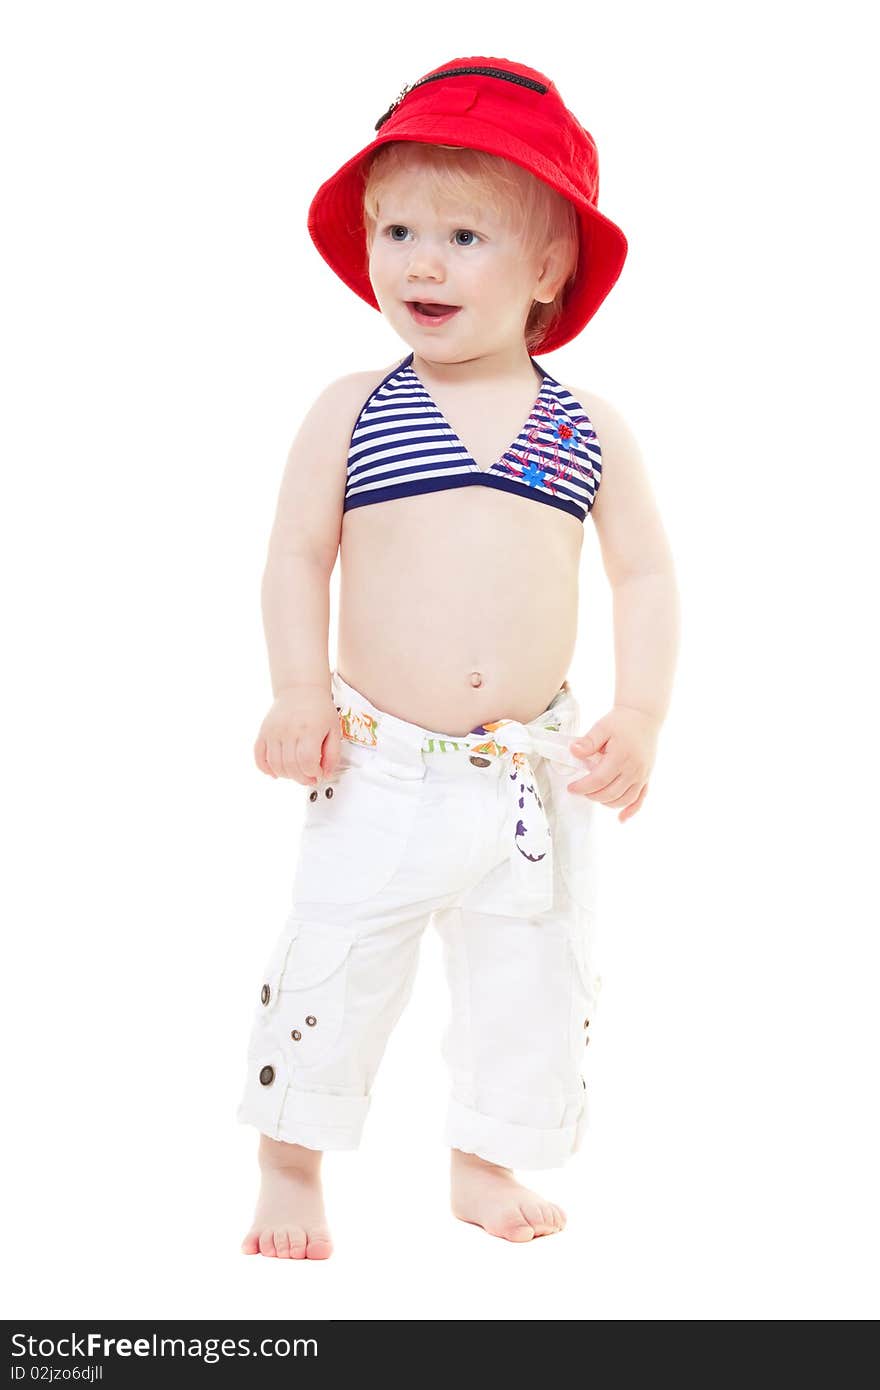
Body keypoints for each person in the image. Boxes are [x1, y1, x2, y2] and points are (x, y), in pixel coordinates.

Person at [236, 55, 680, 1259]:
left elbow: (642, 572)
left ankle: (484, 1158)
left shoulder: (583, 424)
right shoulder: (353, 405)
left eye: (465, 234)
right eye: (397, 229)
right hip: (377, 763)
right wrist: (294, 686)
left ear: (547, 269)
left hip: (529, 777)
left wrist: (637, 713)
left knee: (529, 978)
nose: (420, 260)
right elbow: (295, 554)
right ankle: (291, 1162)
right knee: (334, 961)